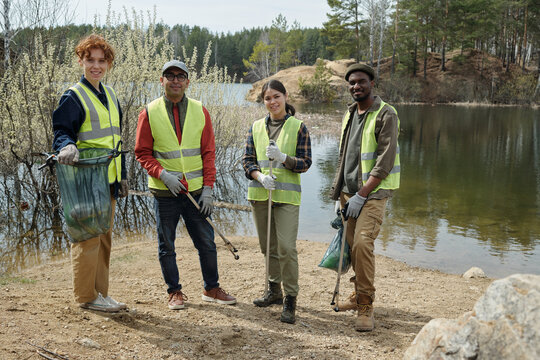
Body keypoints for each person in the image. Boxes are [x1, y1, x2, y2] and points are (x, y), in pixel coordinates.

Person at [135, 60, 236, 310]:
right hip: (164, 192)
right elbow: (142, 153)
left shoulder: (201, 111)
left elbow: (208, 153)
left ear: (188, 82)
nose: (176, 80)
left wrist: (209, 189)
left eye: (181, 76)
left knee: (206, 243)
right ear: (162, 81)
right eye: (170, 75)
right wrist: (163, 175)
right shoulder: (149, 112)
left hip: (196, 192)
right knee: (166, 245)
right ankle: (175, 292)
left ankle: (211, 288)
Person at [52, 34, 129, 312]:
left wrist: (122, 178)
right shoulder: (73, 96)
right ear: (80, 61)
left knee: (104, 239)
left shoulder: (110, 95)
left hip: (108, 180)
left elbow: (116, 140)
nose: (96, 66)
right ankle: (86, 297)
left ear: (108, 63)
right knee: (87, 238)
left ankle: (101, 294)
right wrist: (67, 144)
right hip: (85, 181)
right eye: (90, 60)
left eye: (101, 60)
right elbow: (61, 131)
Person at [330, 63, 400, 331]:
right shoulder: (349, 114)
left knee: (362, 245)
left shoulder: (386, 114)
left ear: (372, 83)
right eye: (351, 83)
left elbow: (384, 161)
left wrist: (361, 194)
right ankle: (357, 295)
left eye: (361, 81)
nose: (356, 86)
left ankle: (366, 307)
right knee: (352, 249)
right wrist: (341, 195)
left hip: (371, 195)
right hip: (348, 195)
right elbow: (344, 158)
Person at [242, 80, 312, 324]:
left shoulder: (298, 127)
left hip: (287, 198)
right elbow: (247, 160)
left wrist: (283, 158)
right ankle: (273, 290)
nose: (272, 102)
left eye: (276, 96)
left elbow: (305, 163)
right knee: (267, 247)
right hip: (261, 195)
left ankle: (290, 298)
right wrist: (259, 176)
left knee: (286, 247)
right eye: (267, 98)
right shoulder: (255, 127)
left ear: (285, 96)